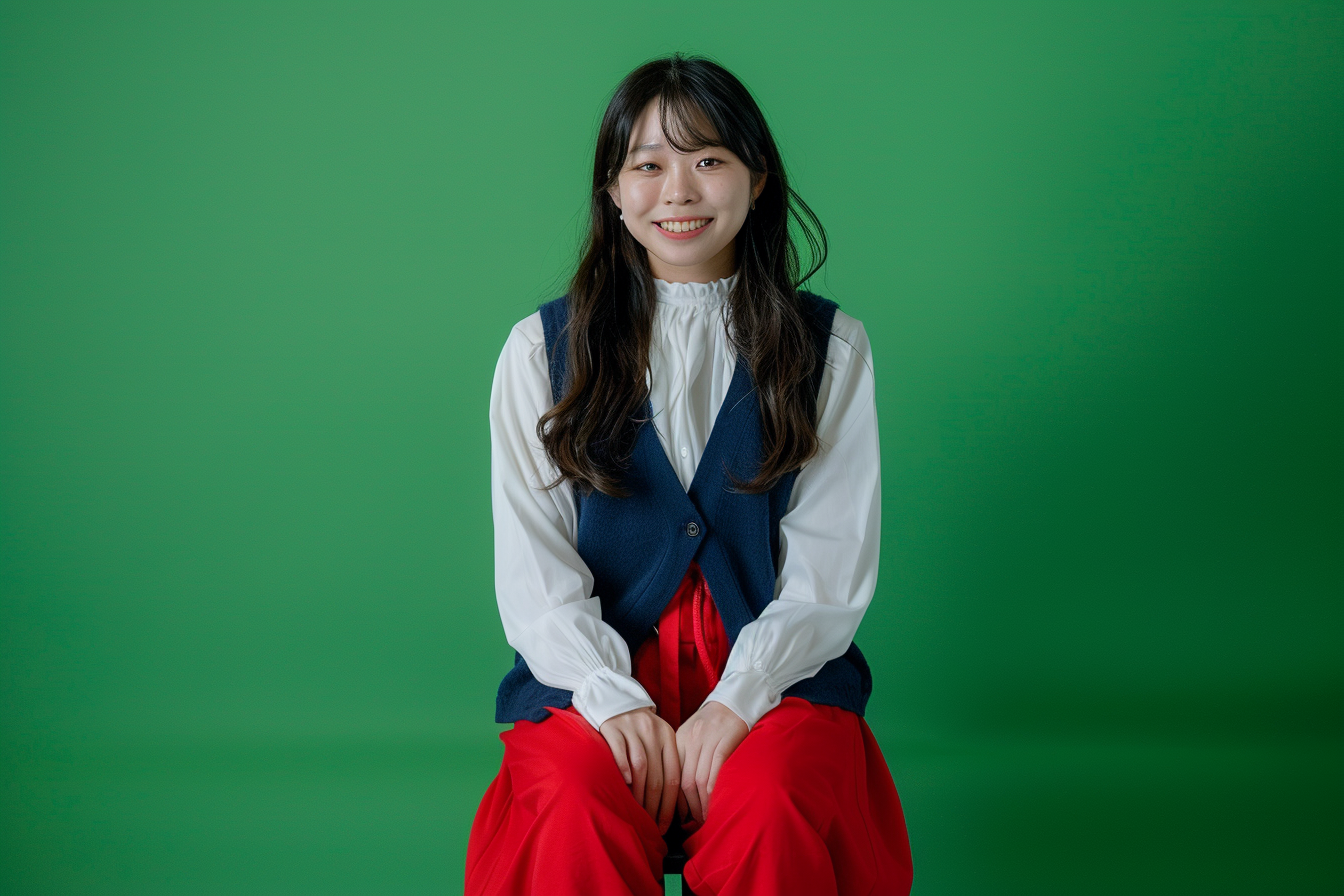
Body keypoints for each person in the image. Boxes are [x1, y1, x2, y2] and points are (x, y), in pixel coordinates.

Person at [465, 53, 913, 896]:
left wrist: (741, 697)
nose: (679, 191)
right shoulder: (540, 350)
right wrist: (609, 694)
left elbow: (830, 575)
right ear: (612, 188)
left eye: (708, 160)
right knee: (567, 800)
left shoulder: (831, 349)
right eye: (648, 165)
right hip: (591, 672)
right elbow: (534, 573)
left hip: (775, 678)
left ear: (757, 178)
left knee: (775, 802)